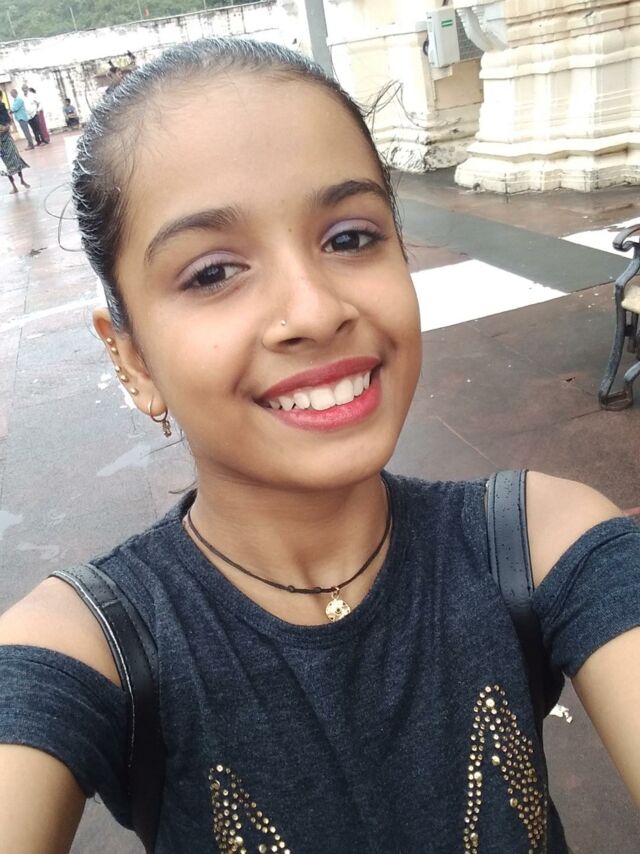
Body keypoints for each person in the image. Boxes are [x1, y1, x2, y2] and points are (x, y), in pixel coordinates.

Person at [0, 38, 638, 853]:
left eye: (349, 238)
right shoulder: (90, 645)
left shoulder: (542, 540)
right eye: (212, 273)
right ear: (131, 357)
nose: (314, 310)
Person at [0, 99, 29, 193]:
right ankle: (16, 184)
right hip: (4, 141)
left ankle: (20, 182)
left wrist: (6, 127)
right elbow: (8, 122)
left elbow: (8, 122)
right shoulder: (3, 107)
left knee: (13, 160)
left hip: (6, 140)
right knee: (9, 163)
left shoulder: (2, 107)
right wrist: (6, 127)